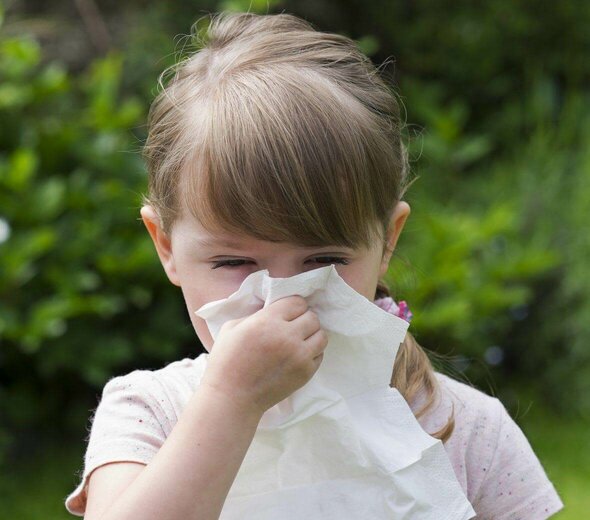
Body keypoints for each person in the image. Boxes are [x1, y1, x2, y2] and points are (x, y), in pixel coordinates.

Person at [65, 12, 563, 520]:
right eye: (234, 260)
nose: (283, 296)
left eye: (325, 259)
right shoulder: (151, 414)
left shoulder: (465, 429)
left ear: (387, 240)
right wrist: (230, 401)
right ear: (167, 247)